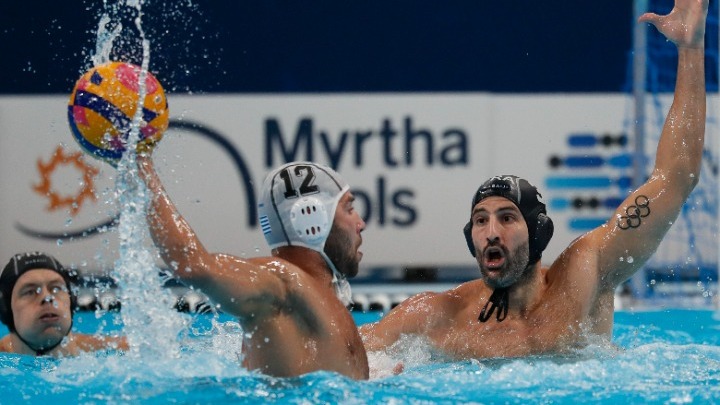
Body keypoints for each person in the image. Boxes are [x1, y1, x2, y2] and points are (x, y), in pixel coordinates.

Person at [360, 0, 708, 359]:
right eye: (480, 220)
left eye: (507, 218)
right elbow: (348, 352)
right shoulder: (439, 317)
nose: (491, 232)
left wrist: (691, 48)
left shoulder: (583, 275)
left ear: (538, 232)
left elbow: (676, 177)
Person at [137, 156, 369, 379]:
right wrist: (142, 163)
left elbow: (368, 345)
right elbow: (192, 265)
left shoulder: (322, 306)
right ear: (312, 219)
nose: (361, 223)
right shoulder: (280, 283)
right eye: (348, 209)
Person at [0, 252, 128, 356]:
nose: (47, 298)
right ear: (5, 309)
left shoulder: (117, 350)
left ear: (71, 302)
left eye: (56, 289)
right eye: (30, 292)